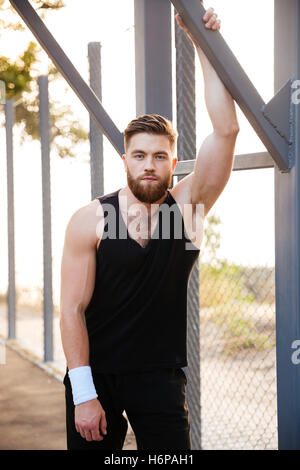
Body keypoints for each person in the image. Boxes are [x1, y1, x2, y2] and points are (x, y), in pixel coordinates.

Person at [60, 3, 239, 451]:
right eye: (139, 155)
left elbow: (226, 130)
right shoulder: (91, 220)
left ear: (173, 164)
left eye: (160, 156)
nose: (149, 165)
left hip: (160, 379)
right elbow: (71, 311)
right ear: (126, 160)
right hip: (96, 377)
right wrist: (85, 396)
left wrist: (204, 42)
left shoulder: (188, 209)